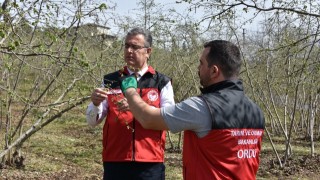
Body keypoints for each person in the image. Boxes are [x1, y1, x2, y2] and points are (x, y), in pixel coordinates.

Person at [120, 40, 265, 179]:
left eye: (201, 63)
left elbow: (148, 118)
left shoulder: (202, 107)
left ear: (214, 71)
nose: (198, 68)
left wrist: (131, 90)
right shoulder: (255, 111)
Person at [86, 27, 175, 179]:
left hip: (150, 162)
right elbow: (92, 121)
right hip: (116, 160)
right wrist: (94, 104)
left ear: (148, 51)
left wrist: (137, 106)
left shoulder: (161, 82)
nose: (129, 50)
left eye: (135, 47)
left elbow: (170, 120)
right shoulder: (111, 80)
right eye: (127, 46)